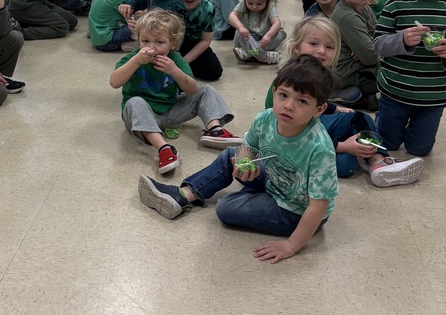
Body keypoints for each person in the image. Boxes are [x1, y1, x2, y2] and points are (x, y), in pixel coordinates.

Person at [138, 56, 339, 262]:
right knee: (230, 155)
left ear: (319, 109)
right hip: (275, 179)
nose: (288, 106)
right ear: (274, 92)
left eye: (302, 101)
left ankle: (254, 199)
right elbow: (248, 147)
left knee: (225, 207)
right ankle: (183, 195)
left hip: (295, 209)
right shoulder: (266, 118)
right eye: (283, 95)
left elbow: (318, 207)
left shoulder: (320, 149)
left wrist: (290, 245)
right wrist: (244, 162)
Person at [266, 16, 422, 186]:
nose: (321, 51)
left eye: (329, 47)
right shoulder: (289, 80)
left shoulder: (318, 75)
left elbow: (316, 103)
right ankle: (302, 162)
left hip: (312, 125)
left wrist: (335, 109)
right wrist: (341, 147)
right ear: (296, 47)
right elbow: (284, 130)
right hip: (293, 135)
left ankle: (378, 160)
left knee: (358, 119)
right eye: (313, 44)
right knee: (347, 164)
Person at [110, 10, 241, 175]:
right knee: (134, 102)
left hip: (171, 110)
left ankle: (214, 129)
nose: (151, 47)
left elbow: (192, 90)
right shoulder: (133, 58)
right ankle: (163, 148)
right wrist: (136, 62)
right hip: (142, 117)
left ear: (172, 43)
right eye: (145, 41)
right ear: (138, 40)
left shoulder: (176, 59)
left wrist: (174, 71)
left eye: (159, 42)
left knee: (205, 89)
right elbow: (114, 82)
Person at [374, 0, 446, 156]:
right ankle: (383, 119)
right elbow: (378, 44)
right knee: (387, 144)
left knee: (419, 150)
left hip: (433, 97)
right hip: (395, 92)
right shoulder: (396, 5)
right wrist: (402, 40)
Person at [331, 0, 379, 110]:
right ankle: (333, 93)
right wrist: (372, 46)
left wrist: (371, 44)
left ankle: (366, 98)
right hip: (347, 72)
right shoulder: (347, 16)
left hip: (360, 66)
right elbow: (371, 56)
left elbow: (378, 33)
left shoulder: (362, 5)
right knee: (394, 79)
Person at [177, 0, 222, 82]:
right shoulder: (172, 4)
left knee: (215, 71)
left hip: (195, 43)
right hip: (172, 44)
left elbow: (205, 40)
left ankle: (182, 67)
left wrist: (185, 60)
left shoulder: (208, 9)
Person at [229, 0, 285, 64]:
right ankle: (264, 56)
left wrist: (268, 36)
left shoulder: (270, 6)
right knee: (238, 32)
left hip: (263, 40)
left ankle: (249, 53)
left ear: (267, 0)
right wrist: (240, 27)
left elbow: (277, 23)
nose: (254, 6)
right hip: (247, 39)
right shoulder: (242, 4)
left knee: (281, 35)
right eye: (250, 3)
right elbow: (232, 16)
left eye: (259, 3)